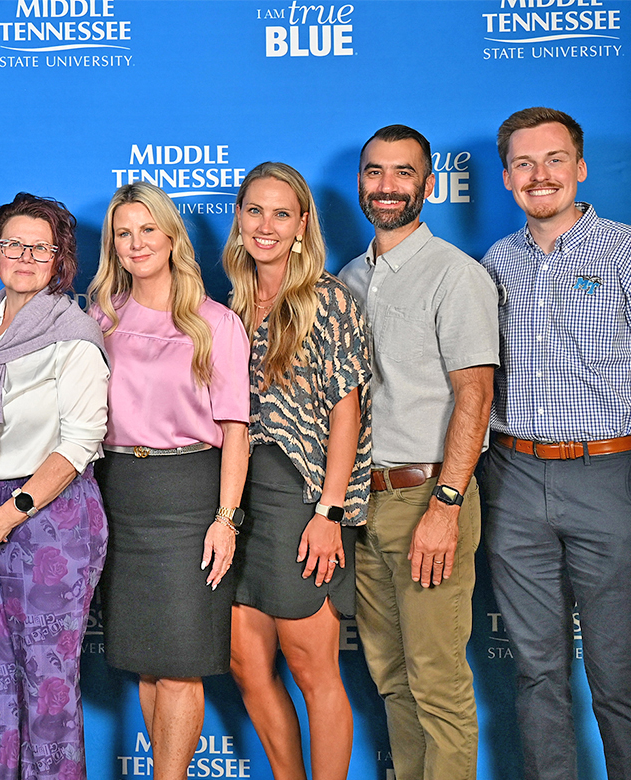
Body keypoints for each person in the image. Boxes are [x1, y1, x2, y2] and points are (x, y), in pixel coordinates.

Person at [478, 107, 631, 780]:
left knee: (619, 676)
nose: (538, 175)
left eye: (552, 160)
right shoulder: (497, 262)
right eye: (523, 163)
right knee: (537, 674)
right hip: (513, 480)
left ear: (579, 168)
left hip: (610, 479)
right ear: (508, 176)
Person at [337, 125, 498, 780]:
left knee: (436, 681)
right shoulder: (349, 277)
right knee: (392, 677)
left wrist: (448, 503)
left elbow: (476, 396)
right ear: (360, 183)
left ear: (428, 185)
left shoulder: (455, 276)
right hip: (366, 503)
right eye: (375, 172)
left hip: (430, 497)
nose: (386, 186)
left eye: (402, 173)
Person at [88, 182, 250, 780]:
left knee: (180, 662)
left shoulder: (215, 322)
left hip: (189, 495)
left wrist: (225, 519)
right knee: (148, 663)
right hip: (118, 492)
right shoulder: (99, 317)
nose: (136, 243)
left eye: (147, 229)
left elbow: (236, 430)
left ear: (171, 235)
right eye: (123, 233)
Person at [0, 192, 109, 780]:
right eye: (13, 244)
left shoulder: (75, 333)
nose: (24, 256)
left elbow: (79, 440)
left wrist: (7, 512)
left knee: (47, 682)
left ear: (58, 260)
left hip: (53, 518)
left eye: (39, 247)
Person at [225, 162, 372, 780]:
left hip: (301, 500)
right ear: (239, 219)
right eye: (255, 210)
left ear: (303, 224)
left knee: (314, 671)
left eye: (281, 213)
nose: (266, 225)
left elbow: (349, 415)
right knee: (245, 665)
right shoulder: (228, 303)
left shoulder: (328, 300)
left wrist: (328, 513)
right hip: (238, 499)